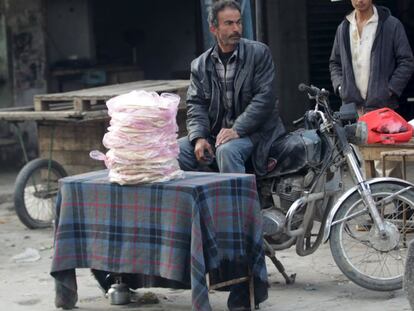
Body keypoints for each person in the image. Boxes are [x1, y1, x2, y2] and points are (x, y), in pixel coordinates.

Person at [178, 0, 285, 177]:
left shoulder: (258, 53)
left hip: (256, 132)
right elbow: (196, 105)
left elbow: (264, 99)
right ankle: (196, 204)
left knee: (227, 151)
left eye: (239, 22)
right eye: (229, 23)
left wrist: (237, 129)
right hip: (216, 136)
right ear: (214, 29)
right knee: (177, 150)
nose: (236, 28)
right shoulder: (200, 65)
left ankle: (237, 205)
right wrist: (199, 138)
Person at [329, 0, 414, 177]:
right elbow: (335, 63)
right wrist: (340, 87)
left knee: (387, 169)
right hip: (354, 112)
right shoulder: (344, 27)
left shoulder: (390, 25)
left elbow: (406, 61)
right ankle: (371, 205)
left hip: (383, 110)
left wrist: (389, 89)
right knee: (360, 169)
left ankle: (396, 204)